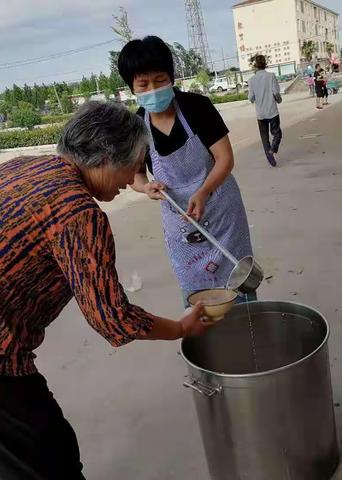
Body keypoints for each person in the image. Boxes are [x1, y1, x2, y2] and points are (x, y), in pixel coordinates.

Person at [0, 101, 213, 480]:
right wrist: (180, 328)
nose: (134, 176)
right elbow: (112, 319)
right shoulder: (78, 212)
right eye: (134, 164)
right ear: (104, 157)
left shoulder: (23, 167)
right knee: (52, 460)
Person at [117, 36, 255, 303]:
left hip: (220, 211)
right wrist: (146, 187)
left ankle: (247, 330)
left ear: (171, 78)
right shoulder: (135, 125)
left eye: (160, 80)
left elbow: (224, 158)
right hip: (180, 222)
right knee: (196, 292)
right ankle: (203, 341)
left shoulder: (196, 107)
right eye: (143, 84)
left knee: (236, 281)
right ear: (132, 88)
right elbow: (135, 175)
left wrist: (203, 192)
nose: (153, 89)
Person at [247, 54, 283, 167]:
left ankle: (270, 158)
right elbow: (276, 92)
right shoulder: (271, 76)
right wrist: (278, 100)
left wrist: (257, 96)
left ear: (255, 66)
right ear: (265, 64)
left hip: (260, 113)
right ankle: (273, 149)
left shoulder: (251, 80)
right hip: (272, 111)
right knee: (277, 133)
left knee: (264, 137)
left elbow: (251, 98)